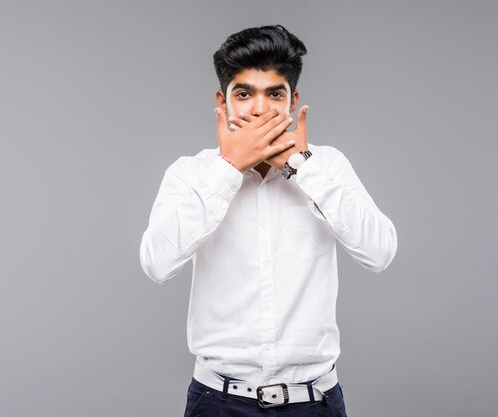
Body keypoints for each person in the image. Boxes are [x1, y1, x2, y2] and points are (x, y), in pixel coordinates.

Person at [139, 24, 398, 417]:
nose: (259, 109)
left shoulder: (326, 166)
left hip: (315, 402)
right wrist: (228, 168)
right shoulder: (190, 174)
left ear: (292, 101)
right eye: (243, 94)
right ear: (222, 102)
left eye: (274, 94)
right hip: (218, 401)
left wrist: (301, 166)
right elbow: (157, 263)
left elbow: (380, 253)